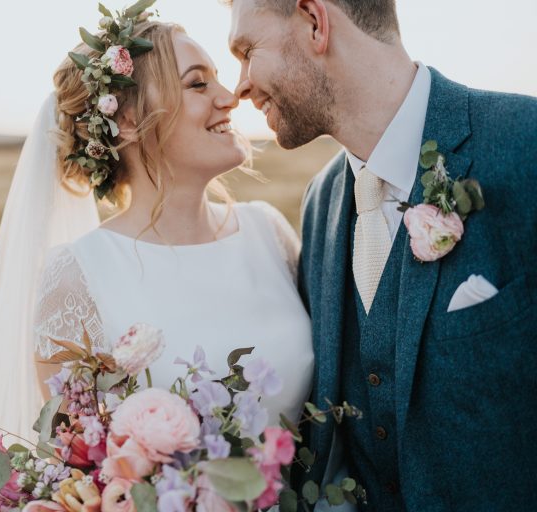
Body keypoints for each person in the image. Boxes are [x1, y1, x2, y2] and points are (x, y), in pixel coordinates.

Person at [0, 7, 315, 474]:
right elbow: (80, 475)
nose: (230, 97)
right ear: (128, 120)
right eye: (197, 83)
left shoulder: (269, 231)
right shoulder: (78, 276)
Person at [228, 0, 537, 510]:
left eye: (246, 50)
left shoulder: (525, 144)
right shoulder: (320, 203)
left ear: (313, 21)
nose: (238, 84)